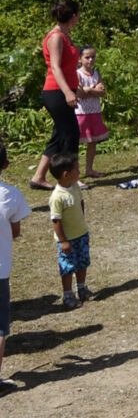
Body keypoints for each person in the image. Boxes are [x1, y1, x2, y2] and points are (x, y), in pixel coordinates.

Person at [32, 0, 82, 191]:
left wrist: (75, 88)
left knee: (59, 134)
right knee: (70, 134)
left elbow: (68, 65)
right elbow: (55, 67)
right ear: (73, 16)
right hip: (56, 92)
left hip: (63, 90)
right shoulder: (56, 37)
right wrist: (68, 92)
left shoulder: (65, 35)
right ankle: (70, 176)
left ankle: (38, 176)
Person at [0, 136, 32, 385]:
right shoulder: (11, 195)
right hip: (0, 270)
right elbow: (16, 231)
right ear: (6, 165)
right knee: (0, 328)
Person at [48, 153, 90, 308]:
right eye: (76, 170)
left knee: (82, 262)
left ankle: (81, 288)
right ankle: (67, 294)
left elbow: (80, 202)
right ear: (66, 174)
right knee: (67, 267)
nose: (79, 172)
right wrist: (63, 241)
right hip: (68, 239)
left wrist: (82, 222)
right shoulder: (57, 197)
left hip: (81, 234)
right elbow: (56, 220)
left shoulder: (75, 186)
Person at [73, 47, 108, 179]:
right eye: (87, 57)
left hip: (94, 111)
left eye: (93, 57)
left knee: (92, 141)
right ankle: (75, 172)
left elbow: (102, 92)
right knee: (75, 143)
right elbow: (79, 93)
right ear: (80, 59)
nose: (90, 60)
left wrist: (89, 90)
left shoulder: (96, 73)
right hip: (80, 112)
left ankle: (89, 169)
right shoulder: (77, 74)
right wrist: (93, 90)